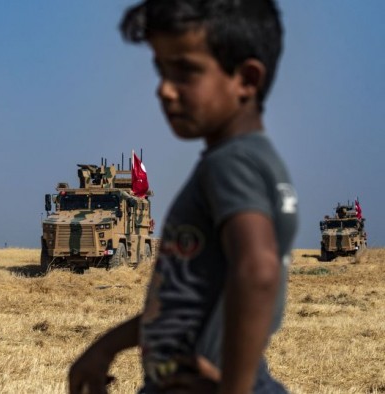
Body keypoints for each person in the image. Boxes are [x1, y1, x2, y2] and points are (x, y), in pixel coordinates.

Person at [68, 0, 298, 393]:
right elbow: (184, 306)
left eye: (186, 71)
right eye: (161, 70)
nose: (165, 89)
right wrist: (105, 347)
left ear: (246, 79)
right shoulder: (245, 161)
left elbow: (258, 271)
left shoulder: (232, 165)